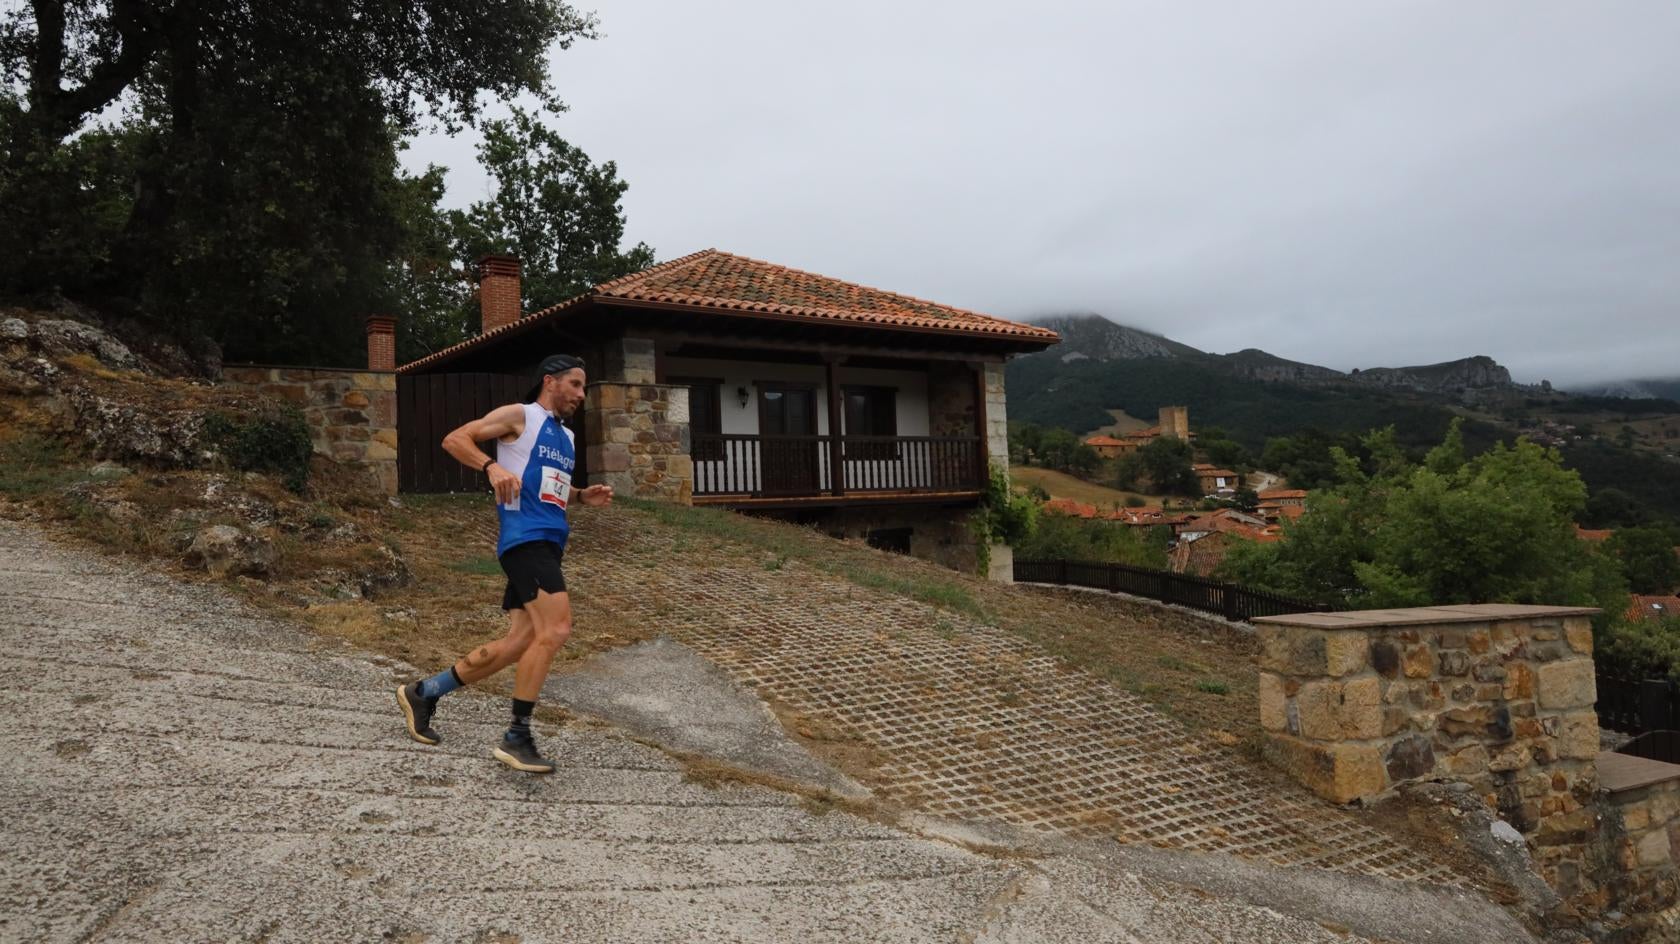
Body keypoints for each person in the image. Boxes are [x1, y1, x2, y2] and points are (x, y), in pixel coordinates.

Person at [395, 353, 612, 773]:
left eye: (583, 387)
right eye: (576, 385)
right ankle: (517, 736)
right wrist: (491, 467)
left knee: (519, 642)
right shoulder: (520, 415)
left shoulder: (564, 438)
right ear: (550, 382)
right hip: (523, 541)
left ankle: (424, 692)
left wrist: (582, 496)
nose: (582, 395)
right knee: (557, 628)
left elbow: (550, 486)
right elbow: (456, 438)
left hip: (549, 543)